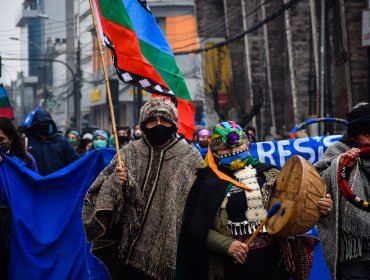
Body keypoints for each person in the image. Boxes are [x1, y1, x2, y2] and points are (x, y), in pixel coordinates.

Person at [176, 121, 332, 280]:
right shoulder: (207, 182)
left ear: (248, 145)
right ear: (214, 152)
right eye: (227, 149)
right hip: (230, 268)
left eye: (239, 146)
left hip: (274, 265)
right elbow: (194, 228)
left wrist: (321, 209)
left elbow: (294, 208)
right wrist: (226, 245)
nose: (234, 151)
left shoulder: (271, 173)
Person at [82, 97, 203, 280]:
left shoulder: (189, 156)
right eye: (152, 121)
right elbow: (99, 188)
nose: (159, 124)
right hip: (128, 250)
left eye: (164, 120)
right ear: (143, 125)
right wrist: (117, 182)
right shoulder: (128, 153)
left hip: (172, 250)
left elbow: (199, 199)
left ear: (173, 124)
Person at [314, 102, 370, 279]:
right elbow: (317, 182)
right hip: (354, 250)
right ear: (353, 136)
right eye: (366, 135)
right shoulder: (337, 151)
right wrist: (342, 165)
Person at [0, 117, 38, 278]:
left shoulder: (26, 160)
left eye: (0, 139)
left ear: (11, 138)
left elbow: (36, 190)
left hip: (19, 223)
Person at [25, 108, 79, 176]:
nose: (44, 125)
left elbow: (75, 162)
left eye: (46, 123)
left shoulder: (61, 142)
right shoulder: (28, 142)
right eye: (41, 124)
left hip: (59, 183)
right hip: (36, 184)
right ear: (36, 125)